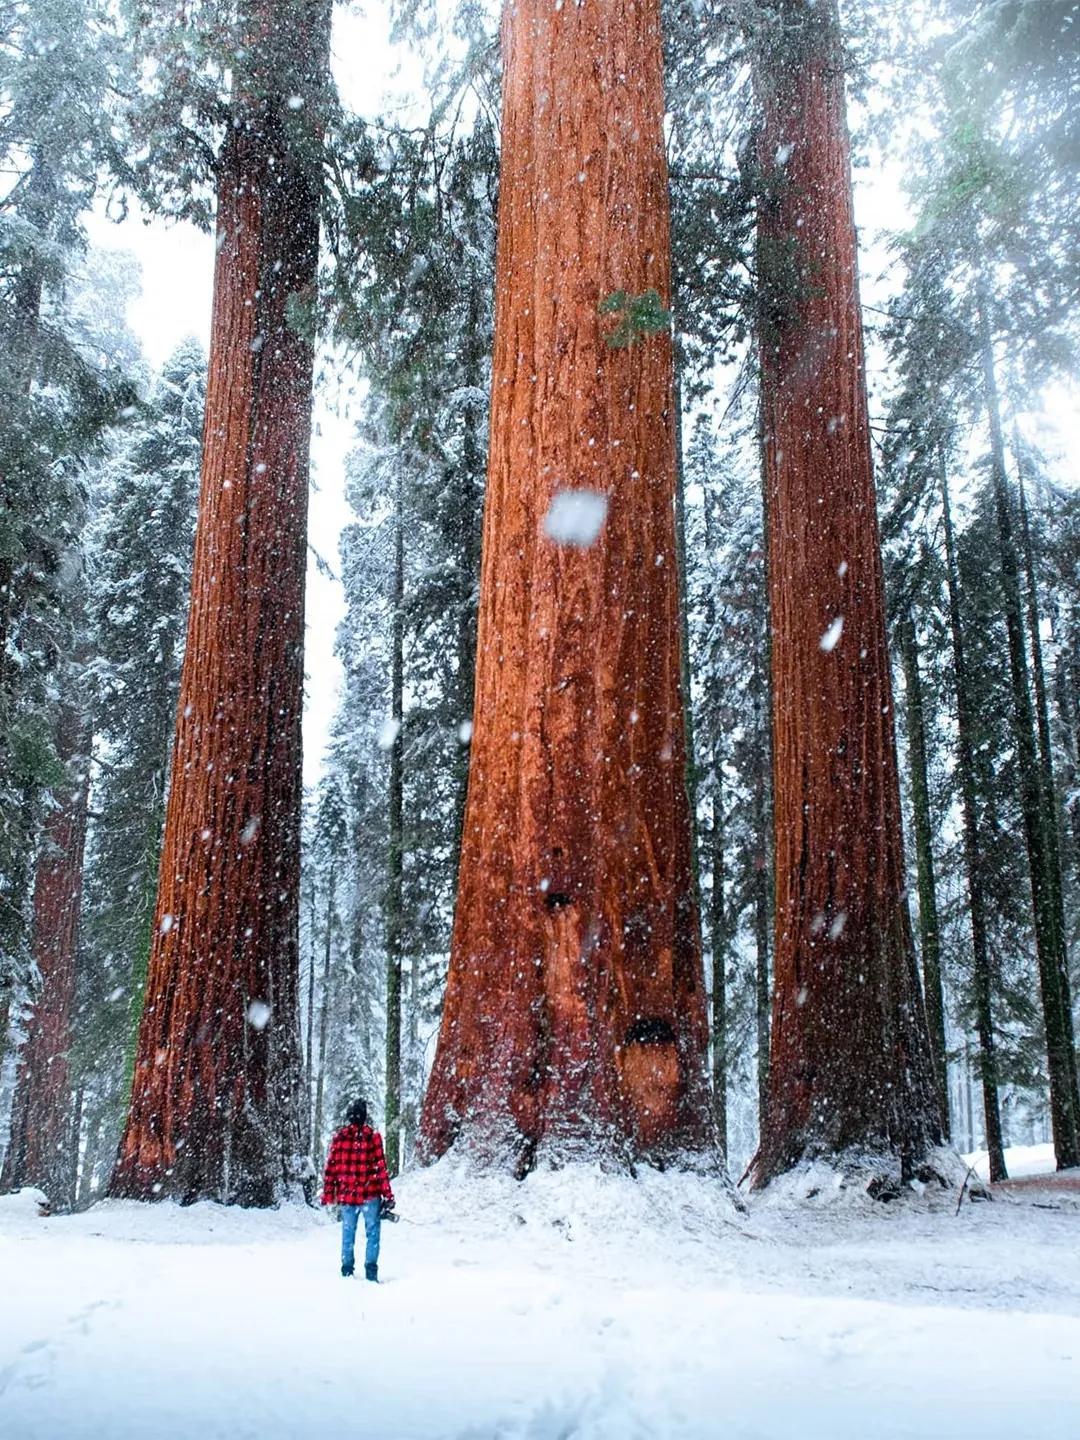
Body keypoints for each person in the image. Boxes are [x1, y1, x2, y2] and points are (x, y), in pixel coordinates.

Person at [321, 1098, 395, 1280]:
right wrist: (388, 1195)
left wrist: (329, 1194)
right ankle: (371, 1272)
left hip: (347, 1196)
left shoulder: (339, 1138)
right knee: (373, 1234)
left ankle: (347, 1270)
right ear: (364, 1117)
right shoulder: (373, 1138)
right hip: (370, 1196)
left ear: (349, 1117)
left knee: (348, 1233)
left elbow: (331, 1168)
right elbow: (381, 1169)